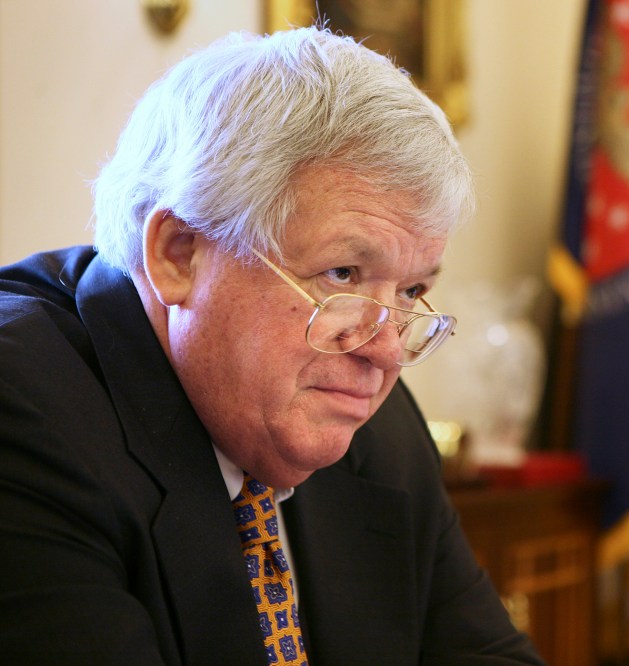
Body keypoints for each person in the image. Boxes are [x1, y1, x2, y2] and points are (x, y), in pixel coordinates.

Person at [0, 27, 544, 665]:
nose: (387, 351)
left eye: (412, 290)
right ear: (180, 253)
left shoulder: (373, 428)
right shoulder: (23, 412)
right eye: (342, 274)